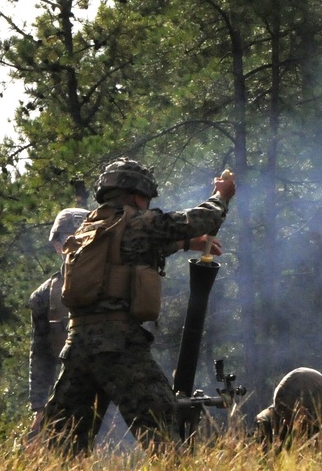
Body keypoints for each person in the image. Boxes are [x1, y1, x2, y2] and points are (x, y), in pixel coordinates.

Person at [42, 158, 235, 454]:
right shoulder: (138, 220)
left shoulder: (88, 228)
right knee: (162, 427)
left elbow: (126, 254)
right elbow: (200, 220)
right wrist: (221, 196)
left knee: (64, 441)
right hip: (118, 344)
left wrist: (186, 245)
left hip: (78, 345)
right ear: (137, 194)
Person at [28, 207, 91, 433]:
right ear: (57, 245)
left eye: (86, 235)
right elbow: (41, 354)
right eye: (70, 239)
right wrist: (39, 407)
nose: (79, 243)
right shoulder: (45, 295)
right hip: (70, 392)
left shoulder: (116, 283)